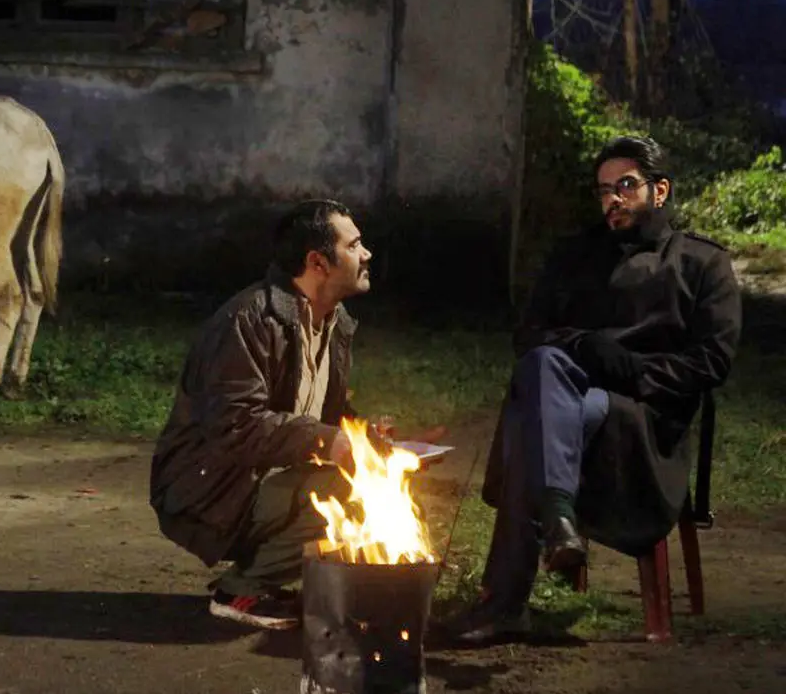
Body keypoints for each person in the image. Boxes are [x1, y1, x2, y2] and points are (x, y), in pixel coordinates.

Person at [443, 134, 743, 644]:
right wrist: (587, 345)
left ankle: (506, 598)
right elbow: (530, 334)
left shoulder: (700, 264)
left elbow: (711, 361)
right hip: (570, 389)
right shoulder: (575, 257)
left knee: (529, 420)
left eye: (626, 185)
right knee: (541, 367)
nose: (613, 200)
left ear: (660, 190)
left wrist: (634, 371)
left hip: (643, 421)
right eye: (604, 190)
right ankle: (558, 518)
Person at [149, 199, 425, 630]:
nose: (367, 254)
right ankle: (241, 590)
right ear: (318, 262)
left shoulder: (333, 321)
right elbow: (235, 425)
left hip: (257, 480)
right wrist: (330, 442)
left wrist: (362, 434)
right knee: (348, 488)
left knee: (376, 473)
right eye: (355, 245)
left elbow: (321, 410)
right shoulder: (250, 320)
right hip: (207, 490)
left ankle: (264, 578)